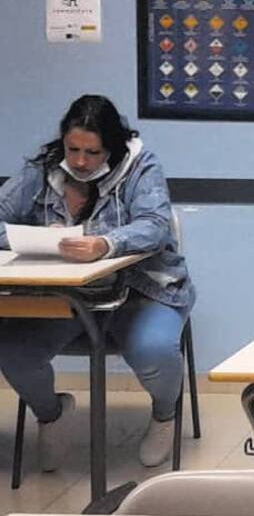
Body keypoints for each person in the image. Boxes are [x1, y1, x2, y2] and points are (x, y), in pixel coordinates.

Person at [0, 95, 194, 470]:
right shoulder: (41, 169)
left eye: (93, 152)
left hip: (142, 289)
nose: (80, 162)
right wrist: (39, 238)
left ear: (113, 149)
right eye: (73, 150)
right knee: (14, 353)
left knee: (153, 350)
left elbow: (154, 227)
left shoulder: (141, 166)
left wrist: (105, 242)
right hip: (68, 293)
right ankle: (51, 414)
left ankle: (164, 416)